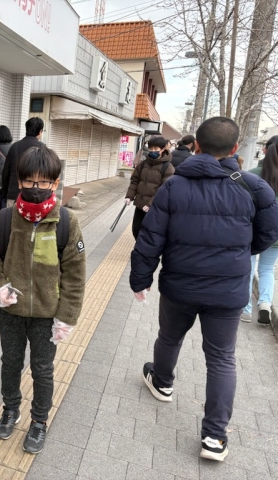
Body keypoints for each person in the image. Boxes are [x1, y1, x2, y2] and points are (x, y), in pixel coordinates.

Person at [130, 117, 278, 462]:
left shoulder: (174, 186)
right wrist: (239, 253)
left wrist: (141, 279)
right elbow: (268, 235)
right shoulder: (254, 188)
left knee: (169, 337)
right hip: (228, 293)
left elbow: (151, 238)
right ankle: (214, 437)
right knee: (222, 359)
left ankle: (163, 381)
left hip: (179, 284)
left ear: (196, 146)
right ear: (234, 149)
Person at [0, 145, 86, 454]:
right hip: (11, 313)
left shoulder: (66, 221)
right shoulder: (5, 219)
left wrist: (67, 316)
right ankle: (10, 409)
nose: (36, 188)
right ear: (19, 181)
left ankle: (39, 421)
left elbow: (75, 274)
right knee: (10, 363)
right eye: (30, 181)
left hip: (46, 315)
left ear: (55, 183)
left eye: (44, 182)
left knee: (43, 369)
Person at [242, 143, 278, 324]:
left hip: (253, 231)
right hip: (276, 234)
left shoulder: (252, 174)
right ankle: (265, 304)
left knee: (247, 269)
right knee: (266, 270)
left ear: (267, 150)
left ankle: (246, 309)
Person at [125, 135, 174, 239]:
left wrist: (151, 204)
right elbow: (135, 180)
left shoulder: (168, 167)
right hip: (140, 205)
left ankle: (144, 253)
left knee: (150, 233)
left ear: (163, 149)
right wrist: (129, 196)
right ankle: (139, 249)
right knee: (136, 230)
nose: (152, 151)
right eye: (151, 148)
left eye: (156, 149)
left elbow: (164, 189)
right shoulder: (143, 164)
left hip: (154, 208)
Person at [1, 117, 44, 207]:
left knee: (11, 219)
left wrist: (4, 194)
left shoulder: (15, 146)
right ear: (40, 131)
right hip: (35, 195)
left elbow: (6, 173)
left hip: (13, 193)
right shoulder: (43, 148)